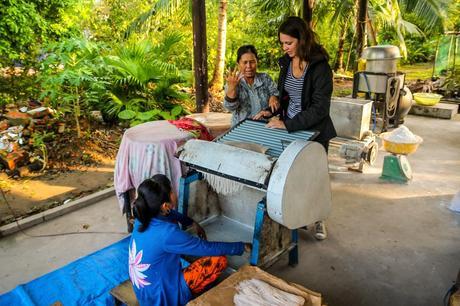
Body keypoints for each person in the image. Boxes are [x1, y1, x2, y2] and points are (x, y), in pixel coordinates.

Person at [256, 16, 337, 240]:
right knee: (294, 176)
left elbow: (320, 109)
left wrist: (287, 124)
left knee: (315, 176)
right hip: (291, 127)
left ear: (302, 40)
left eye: (289, 43)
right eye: (282, 43)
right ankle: (299, 214)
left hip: (314, 130)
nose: (285, 48)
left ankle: (319, 219)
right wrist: (271, 110)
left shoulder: (320, 67)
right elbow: (286, 96)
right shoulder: (285, 63)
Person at [129, 175, 251, 306]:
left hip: (146, 293)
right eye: (172, 191)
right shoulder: (167, 234)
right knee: (218, 260)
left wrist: (192, 223)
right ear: (164, 206)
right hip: (164, 298)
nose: (175, 192)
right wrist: (240, 246)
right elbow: (205, 247)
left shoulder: (143, 217)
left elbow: (171, 214)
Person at [224, 45, 280, 126]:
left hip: (265, 126)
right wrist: (232, 89)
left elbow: (275, 93)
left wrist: (274, 97)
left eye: (252, 62)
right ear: (238, 64)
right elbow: (229, 108)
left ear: (257, 62)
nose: (249, 66)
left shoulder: (265, 78)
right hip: (241, 128)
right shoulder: (233, 82)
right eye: (245, 62)